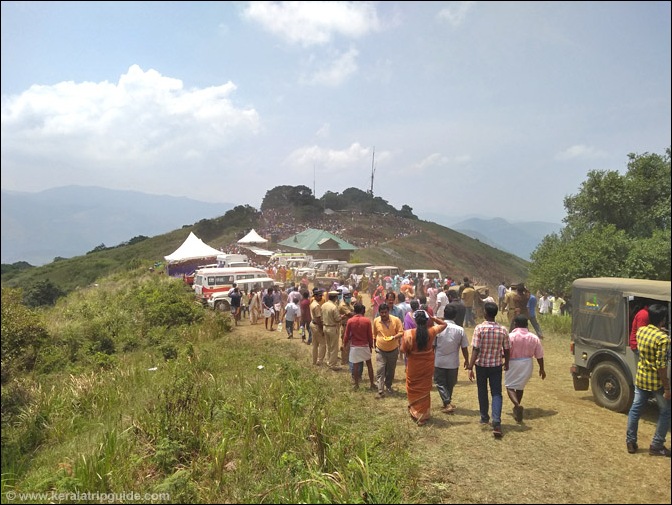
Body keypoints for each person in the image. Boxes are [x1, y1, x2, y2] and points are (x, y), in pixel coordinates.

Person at [625, 304, 671, 457]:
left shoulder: (642, 331)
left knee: (635, 409)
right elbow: (662, 366)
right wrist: (667, 388)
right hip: (656, 382)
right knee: (666, 411)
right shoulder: (663, 339)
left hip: (641, 378)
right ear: (663, 320)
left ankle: (630, 441)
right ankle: (657, 445)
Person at [468, 301, 510, 438]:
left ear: (485, 313)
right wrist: (507, 363)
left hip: (481, 365)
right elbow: (507, 349)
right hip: (496, 365)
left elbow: (476, 349)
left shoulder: (479, 329)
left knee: (482, 390)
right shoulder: (503, 330)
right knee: (496, 392)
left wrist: (470, 365)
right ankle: (496, 422)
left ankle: (484, 416)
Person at [401, 310, 447, 426]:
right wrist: (433, 318)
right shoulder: (431, 331)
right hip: (427, 366)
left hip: (414, 366)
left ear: (415, 321)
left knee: (413, 388)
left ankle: (416, 412)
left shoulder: (408, 334)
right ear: (427, 320)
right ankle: (424, 415)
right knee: (425, 389)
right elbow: (444, 324)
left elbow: (403, 350)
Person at [505, 315, 546, 422]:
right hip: (527, 363)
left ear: (515, 324)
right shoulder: (533, 337)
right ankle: (517, 407)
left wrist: (504, 362)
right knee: (520, 386)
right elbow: (539, 355)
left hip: (513, 362)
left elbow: (506, 351)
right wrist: (542, 369)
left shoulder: (511, 336)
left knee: (509, 386)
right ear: (527, 325)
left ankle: (517, 405)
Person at [434, 304, 470, 414]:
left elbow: (432, 346)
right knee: (450, 383)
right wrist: (467, 360)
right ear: (455, 316)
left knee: (440, 383)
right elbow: (464, 347)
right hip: (453, 362)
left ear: (444, 314)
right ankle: (447, 402)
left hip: (439, 360)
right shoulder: (460, 330)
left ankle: (447, 403)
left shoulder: (437, 328)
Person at [372, 303, 404, 397]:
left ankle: (388, 386)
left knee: (390, 370)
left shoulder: (396, 320)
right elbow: (374, 334)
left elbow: (401, 332)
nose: (384, 314)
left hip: (393, 349)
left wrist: (394, 337)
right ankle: (380, 390)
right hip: (380, 349)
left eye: (385, 312)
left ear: (388, 312)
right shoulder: (376, 321)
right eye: (382, 313)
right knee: (380, 369)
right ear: (379, 312)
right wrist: (374, 344)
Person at [342, 302, 375, 390]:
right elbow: (370, 335)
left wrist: (344, 344)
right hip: (365, 345)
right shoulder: (367, 321)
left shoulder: (350, 321)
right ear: (362, 311)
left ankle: (356, 385)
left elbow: (346, 334)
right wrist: (371, 346)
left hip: (355, 346)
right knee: (369, 365)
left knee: (355, 366)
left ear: (355, 311)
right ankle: (372, 384)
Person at [322, 291, 342, 370]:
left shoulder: (324, 305)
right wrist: (342, 317)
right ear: (335, 298)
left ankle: (328, 360)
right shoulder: (334, 307)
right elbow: (337, 319)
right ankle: (332, 364)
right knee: (334, 347)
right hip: (332, 328)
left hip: (325, 327)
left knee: (328, 345)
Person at [310, 289, 326, 366]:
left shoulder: (313, 303)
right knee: (323, 344)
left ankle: (314, 361)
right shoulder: (316, 306)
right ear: (315, 296)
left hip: (313, 324)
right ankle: (319, 361)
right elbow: (319, 320)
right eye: (320, 296)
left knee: (315, 344)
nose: (321, 297)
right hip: (316, 325)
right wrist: (322, 329)